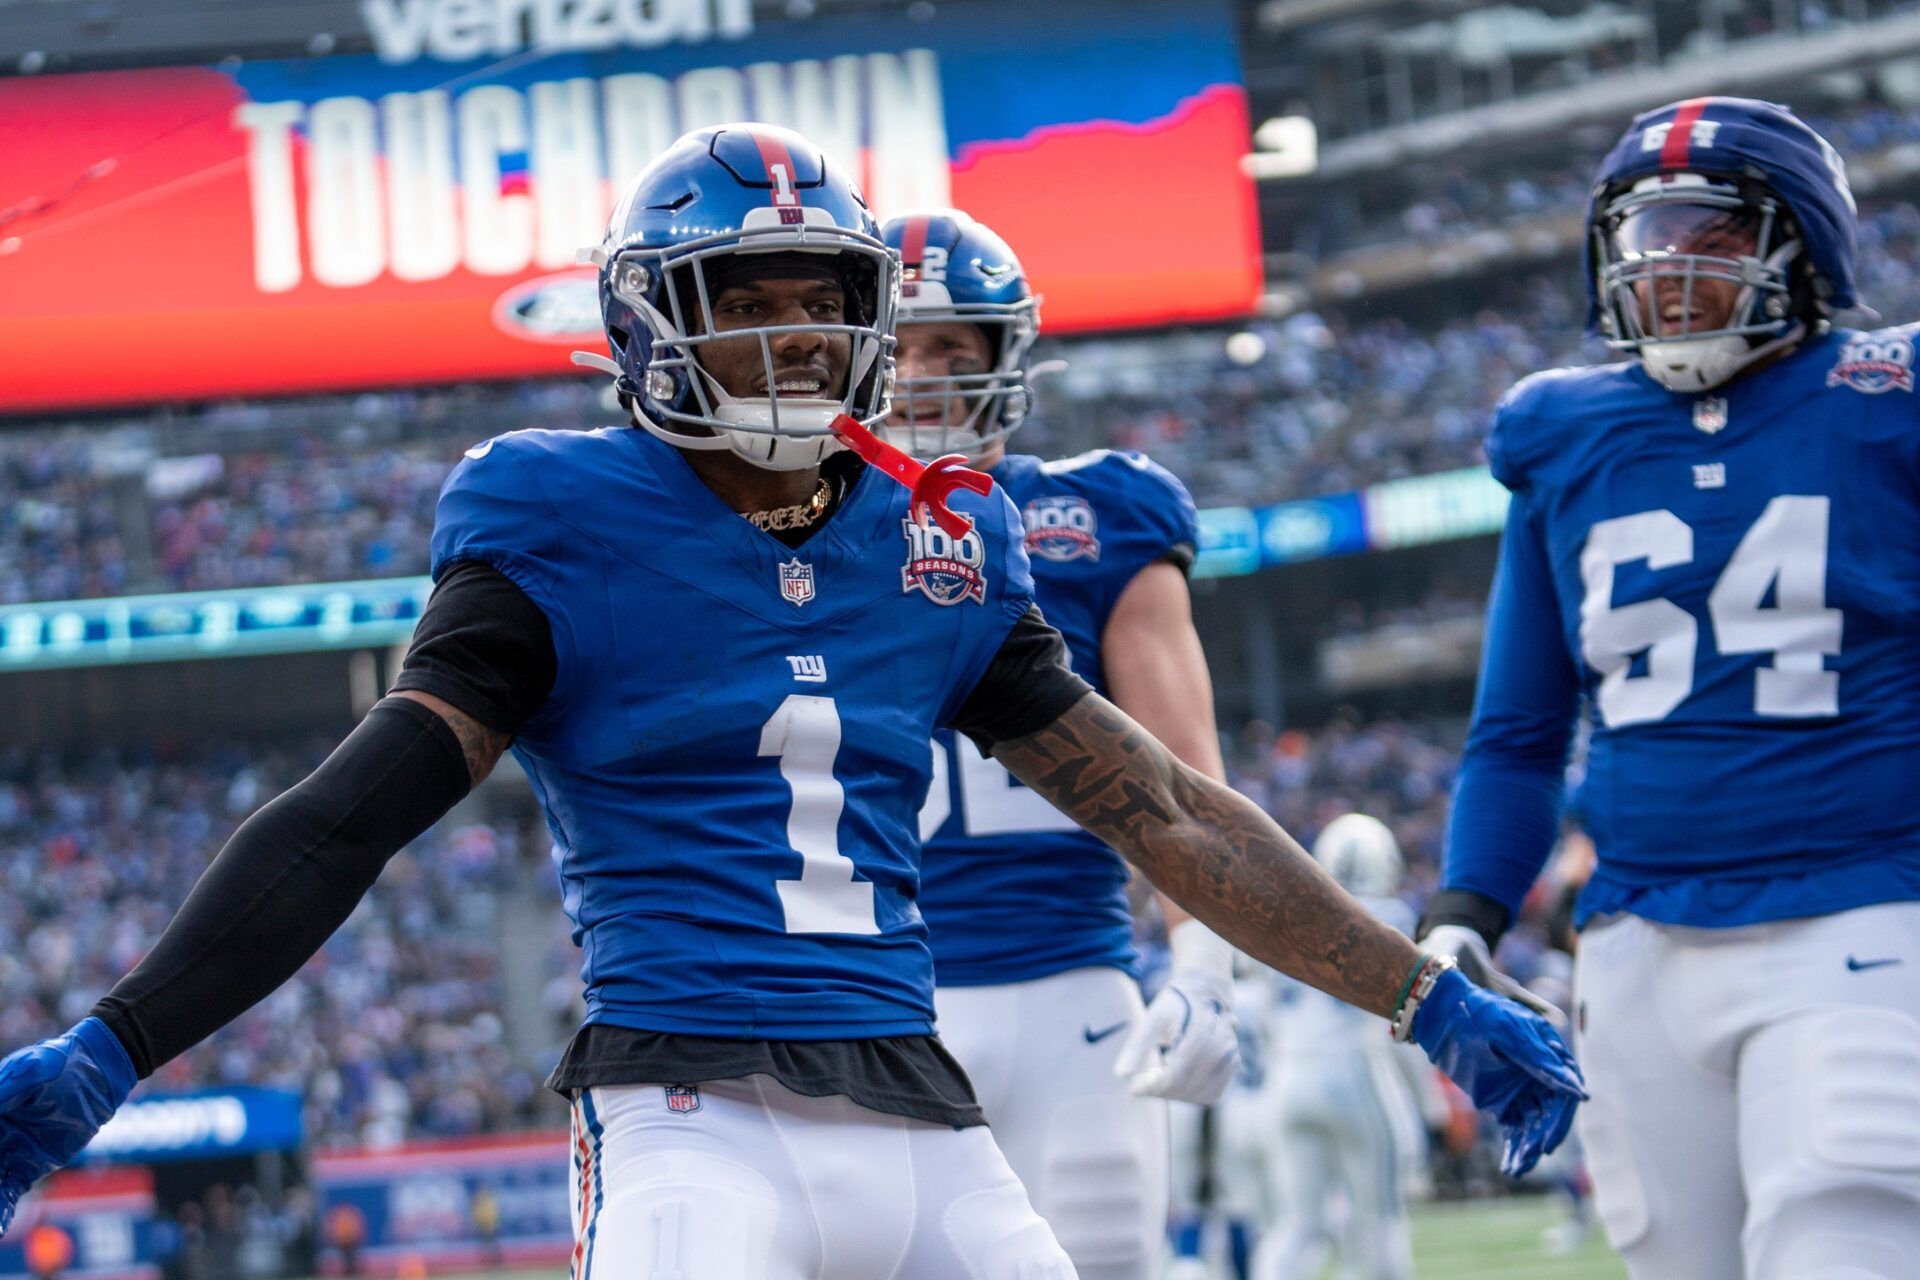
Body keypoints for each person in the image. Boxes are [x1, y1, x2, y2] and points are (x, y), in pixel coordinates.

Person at [0, 124, 1582, 1279]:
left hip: (928, 1115)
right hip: (690, 1116)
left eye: (817, 297)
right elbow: (348, 818)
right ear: (646, 322)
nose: (789, 334)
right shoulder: (560, 522)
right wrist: (115, 1046)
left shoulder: (935, 539)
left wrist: (1422, 997)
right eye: (743, 298)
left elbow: (1158, 805)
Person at [1423, 96, 1920, 1280]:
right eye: (1647, 235)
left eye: (1713, 232)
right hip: (1637, 941)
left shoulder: (1886, 398)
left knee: (1838, 1235)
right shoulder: (1565, 431)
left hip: (1861, 910)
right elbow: (1518, 730)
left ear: (1802, 244)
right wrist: (1462, 917)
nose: (1670, 264)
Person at [884, 207, 1237, 1280]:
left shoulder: (1096, 515)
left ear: (1006, 358)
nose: (921, 375)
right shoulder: (796, 532)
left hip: (1071, 991)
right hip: (875, 997)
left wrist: (1206, 956)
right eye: (895, 346)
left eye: (953, 349)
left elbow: (1183, 784)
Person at [1252, 815, 1431, 1280]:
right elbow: (1405, 1019)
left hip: (1288, 1078)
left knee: (1296, 1226)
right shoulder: (1391, 914)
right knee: (1380, 1220)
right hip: (1354, 1072)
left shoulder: (1288, 912)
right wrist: (1429, 1105)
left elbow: (1268, 1010)